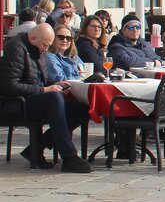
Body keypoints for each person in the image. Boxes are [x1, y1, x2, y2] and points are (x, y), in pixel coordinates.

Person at [0, 23, 92, 172]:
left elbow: (38, 79)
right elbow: (9, 86)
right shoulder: (15, 48)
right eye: (45, 45)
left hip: (33, 97)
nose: (46, 49)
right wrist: (45, 89)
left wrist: (56, 84)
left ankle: (36, 148)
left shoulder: (39, 49)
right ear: (33, 37)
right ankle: (69, 157)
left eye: (48, 45)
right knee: (54, 98)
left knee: (83, 108)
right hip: (16, 103)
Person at [75, 15, 109, 79]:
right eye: (93, 26)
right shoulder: (85, 45)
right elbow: (98, 67)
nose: (97, 29)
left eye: (99, 27)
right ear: (85, 28)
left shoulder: (96, 45)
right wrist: (113, 71)